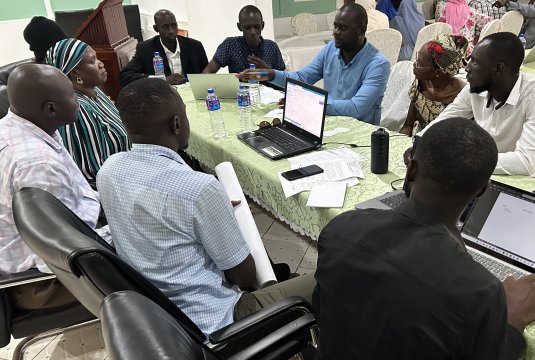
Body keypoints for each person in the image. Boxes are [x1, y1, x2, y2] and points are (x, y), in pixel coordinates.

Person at [313, 117, 535, 359]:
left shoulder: (340, 228)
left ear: (411, 170)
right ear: (483, 190)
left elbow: (325, 308)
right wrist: (514, 319)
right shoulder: (479, 291)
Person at [97, 78, 316, 336]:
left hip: (159, 313)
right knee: (333, 279)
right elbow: (244, 278)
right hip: (219, 320)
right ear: (176, 123)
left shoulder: (109, 170)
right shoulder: (199, 188)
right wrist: (227, 219)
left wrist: (211, 212)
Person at [0, 64, 110, 310]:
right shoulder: (39, 165)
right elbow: (64, 250)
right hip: (40, 281)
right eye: (72, 96)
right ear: (50, 108)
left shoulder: (20, 126)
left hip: (53, 245)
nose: (78, 100)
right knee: (157, 256)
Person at [416, 32, 535, 184]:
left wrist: (461, 160)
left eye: (475, 62)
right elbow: (443, 123)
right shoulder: (475, 88)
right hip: (487, 176)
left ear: (498, 68)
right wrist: (419, 144)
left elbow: (525, 162)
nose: (467, 68)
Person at [238, 3, 391, 125]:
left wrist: (309, 104)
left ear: (361, 30)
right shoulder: (331, 49)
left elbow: (356, 108)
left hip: (362, 133)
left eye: (342, 28)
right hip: (330, 124)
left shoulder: (378, 64)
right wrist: (270, 74)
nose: (335, 32)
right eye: (335, 26)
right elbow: (303, 77)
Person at [46, 38, 129, 190]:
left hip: (128, 173)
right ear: (75, 72)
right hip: (115, 190)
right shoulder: (78, 110)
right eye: (92, 61)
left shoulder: (95, 90)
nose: (101, 64)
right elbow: (93, 173)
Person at [400, 34, 468, 135]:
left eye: (419, 63)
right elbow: (408, 125)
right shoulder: (421, 83)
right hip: (417, 140)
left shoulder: (461, 95)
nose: (414, 65)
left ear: (437, 72)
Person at [119, 9, 208, 86]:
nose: (171, 31)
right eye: (165, 27)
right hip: (162, 97)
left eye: (174, 25)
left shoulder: (195, 46)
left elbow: (208, 75)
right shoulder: (146, 49)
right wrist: (162, 79)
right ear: (156, 28)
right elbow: (125, 76)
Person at [203, 5, 285, 74]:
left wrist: (265, 69)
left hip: (268, 92)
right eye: (247, 27)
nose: (253, 32)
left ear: (262, 25)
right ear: (239, 27)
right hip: (240, 92)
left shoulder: (271, 47)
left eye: (257, 27)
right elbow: (207, 73)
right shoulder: (230, 45)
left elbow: (283, 79)